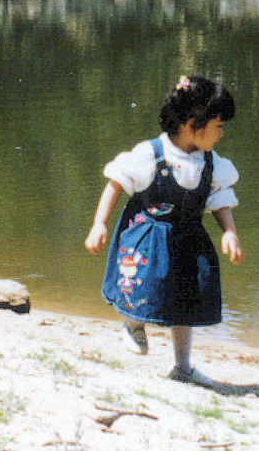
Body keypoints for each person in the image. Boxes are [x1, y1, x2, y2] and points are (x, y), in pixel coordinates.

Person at [85, 75, 244, 385]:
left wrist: (230, 232)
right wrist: (99, 224)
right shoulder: (151, 155)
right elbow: (116, 182)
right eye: (218, 126)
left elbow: (218, 198)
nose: (222, 133)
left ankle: (182, 367)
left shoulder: (210, 163)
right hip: (147, 237)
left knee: (186, 299)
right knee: (142, 286)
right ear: (191, 124)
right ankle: (132, 324)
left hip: (187, 238)